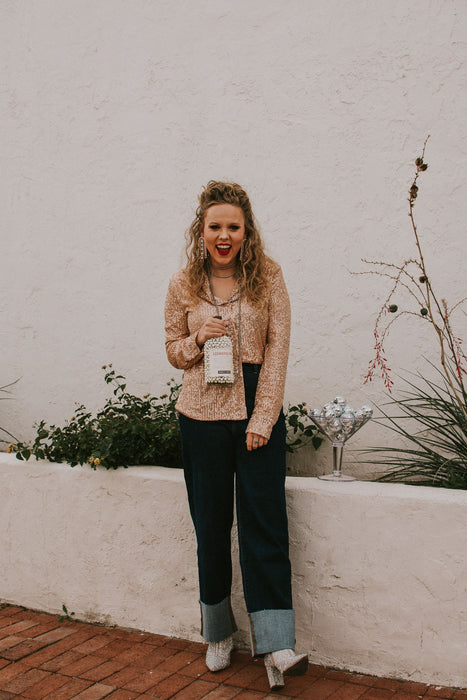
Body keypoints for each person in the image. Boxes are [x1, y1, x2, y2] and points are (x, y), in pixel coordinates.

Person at [164, 181, 308, 690]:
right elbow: (173, 350)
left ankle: (277, 642)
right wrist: (196, 340)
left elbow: (277, 352)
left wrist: (263, 419)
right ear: (200, 231)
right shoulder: (184, 282)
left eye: (233, 227)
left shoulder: (268, 277)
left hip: (253, 406)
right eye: (214, 226)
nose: (223, 236)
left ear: (247, 231)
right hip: (199, 411)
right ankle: (219, 632)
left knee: (264, 523)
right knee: (210, 525)